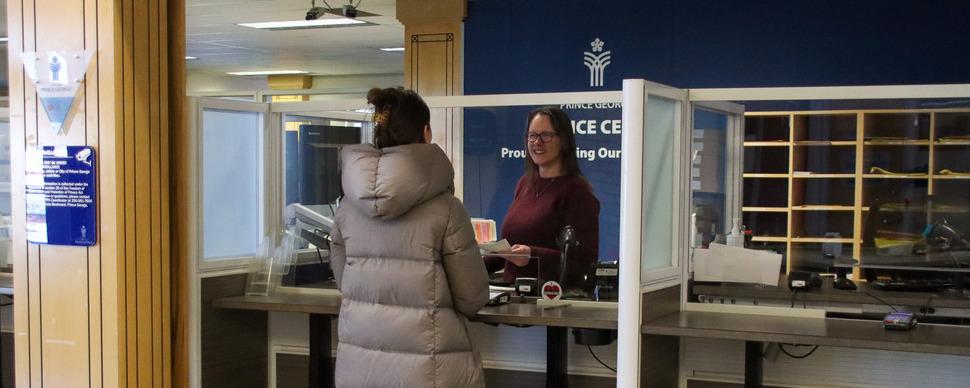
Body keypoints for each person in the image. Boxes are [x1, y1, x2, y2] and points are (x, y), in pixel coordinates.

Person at [329, 87, 490, 388]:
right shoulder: (447, 210)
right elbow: (472, 297)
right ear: (426, 132)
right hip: (431, 370)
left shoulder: (347, 207)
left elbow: (344, 280)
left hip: (361, 369)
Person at [485, 106, 600, 294]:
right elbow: (510, 248)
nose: (537, 142)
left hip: (551, 302)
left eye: (546, 135)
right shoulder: (525, 183)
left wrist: (532, 255)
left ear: (563, 140)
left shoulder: (577, 192)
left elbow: (585, 261)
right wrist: (473, 262)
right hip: (513, 299)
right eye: (532, 135)